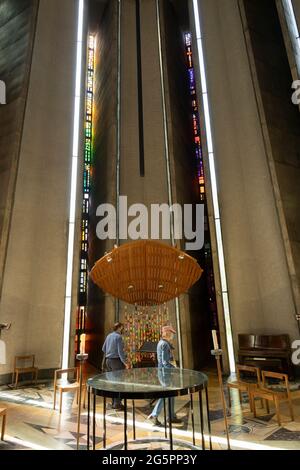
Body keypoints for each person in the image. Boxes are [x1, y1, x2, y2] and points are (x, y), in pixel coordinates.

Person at [148, 325, 182, 426]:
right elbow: (164, 362)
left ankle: (171, 416)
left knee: (171, 394)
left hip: (164, 372)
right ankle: (154, 415)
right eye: (171, 333)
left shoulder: (163, 343)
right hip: (165, 373)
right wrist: (174, 370)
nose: (173, 336)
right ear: (167, 333)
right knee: (165, 395)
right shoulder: (165, 344)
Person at [102, 322, 128, 410]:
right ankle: (117, 403)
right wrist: (125, 363)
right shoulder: (118, 337)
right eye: (122, 327)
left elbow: (103, 348)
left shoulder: (109, 336)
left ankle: (114, 402)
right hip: (116, 362)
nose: (123, 329)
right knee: (118, 383)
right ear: (120, 328)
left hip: (108, 361)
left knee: (112, 382)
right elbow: (120, 352)